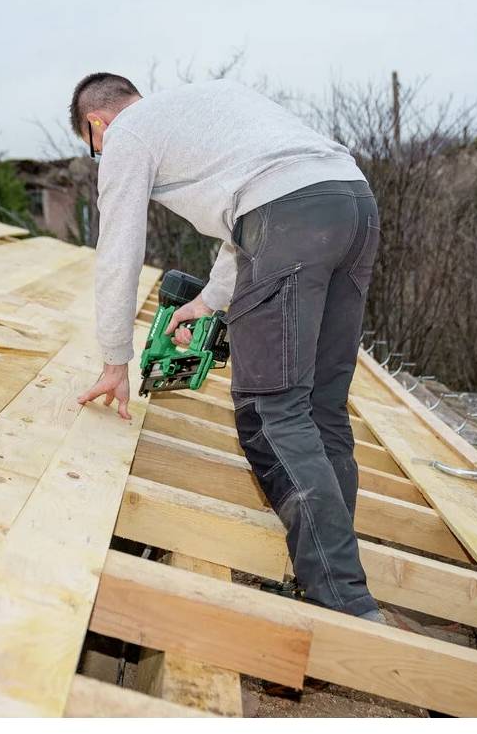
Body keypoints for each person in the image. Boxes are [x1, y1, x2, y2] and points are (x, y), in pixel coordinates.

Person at [71, 73, 384, 622]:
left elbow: (118, 248)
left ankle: (344, 603)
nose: (103, 157)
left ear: (97, 125)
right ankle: (332, 577)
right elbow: (249, 215)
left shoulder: (127, 134)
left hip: (288, 217)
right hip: (352, 203)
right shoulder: (206, 104)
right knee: (321, 408)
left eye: (95, 148)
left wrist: (114, 360)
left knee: (270, 413)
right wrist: (212, 302)